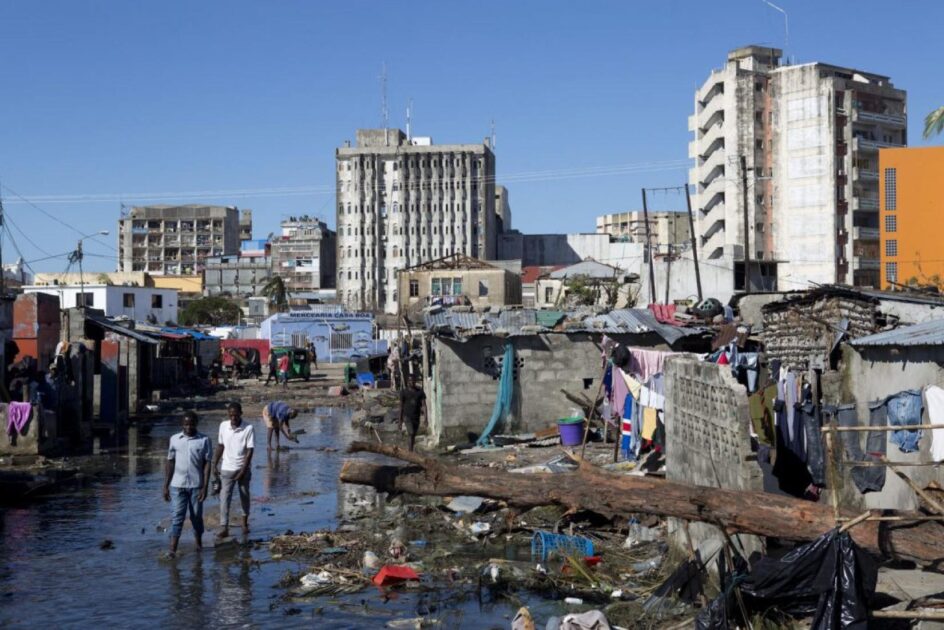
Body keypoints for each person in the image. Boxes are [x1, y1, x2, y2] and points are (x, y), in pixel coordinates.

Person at [162, 411, 212, 556]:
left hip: (196, 486)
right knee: (177, 516)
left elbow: (207, 464)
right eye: (185, 424)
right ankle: (172, 550)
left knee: (196, 516)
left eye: (191, 424)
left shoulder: (204, 440)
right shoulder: (175, 439)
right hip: (177, 486)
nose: (188, 427)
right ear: (182, 424)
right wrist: (165, 485)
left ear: (196, 424)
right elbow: (170, 462)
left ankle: (198, 545)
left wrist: (205, 486)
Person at [213, 402, 254, 539]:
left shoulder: (248, 428)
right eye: (231, 416)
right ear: (228, 415)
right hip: (227, 469)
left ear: (241, 414)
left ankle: (244, 523)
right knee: (224, 498)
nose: (233, 418)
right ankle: (224, 527)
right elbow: (220, 445)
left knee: (244, 495)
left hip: (243, 469)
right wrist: (215, 463)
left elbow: (250, 451)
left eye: (236, 415)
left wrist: (243, 470)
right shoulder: (223, 426)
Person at [398, 378, 427, 452]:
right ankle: (410, 453)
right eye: (410, 380)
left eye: (413, 380)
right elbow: (401, 406)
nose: (411, 382)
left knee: (413, 435)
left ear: (415, 382)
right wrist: (400, 420)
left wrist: (426, 418)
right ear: (408, 382)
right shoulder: (404, 392)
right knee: (411, 433)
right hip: (407, 416)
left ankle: (411, 450)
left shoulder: (420, 392)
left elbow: (424, 405)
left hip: (416, 417)